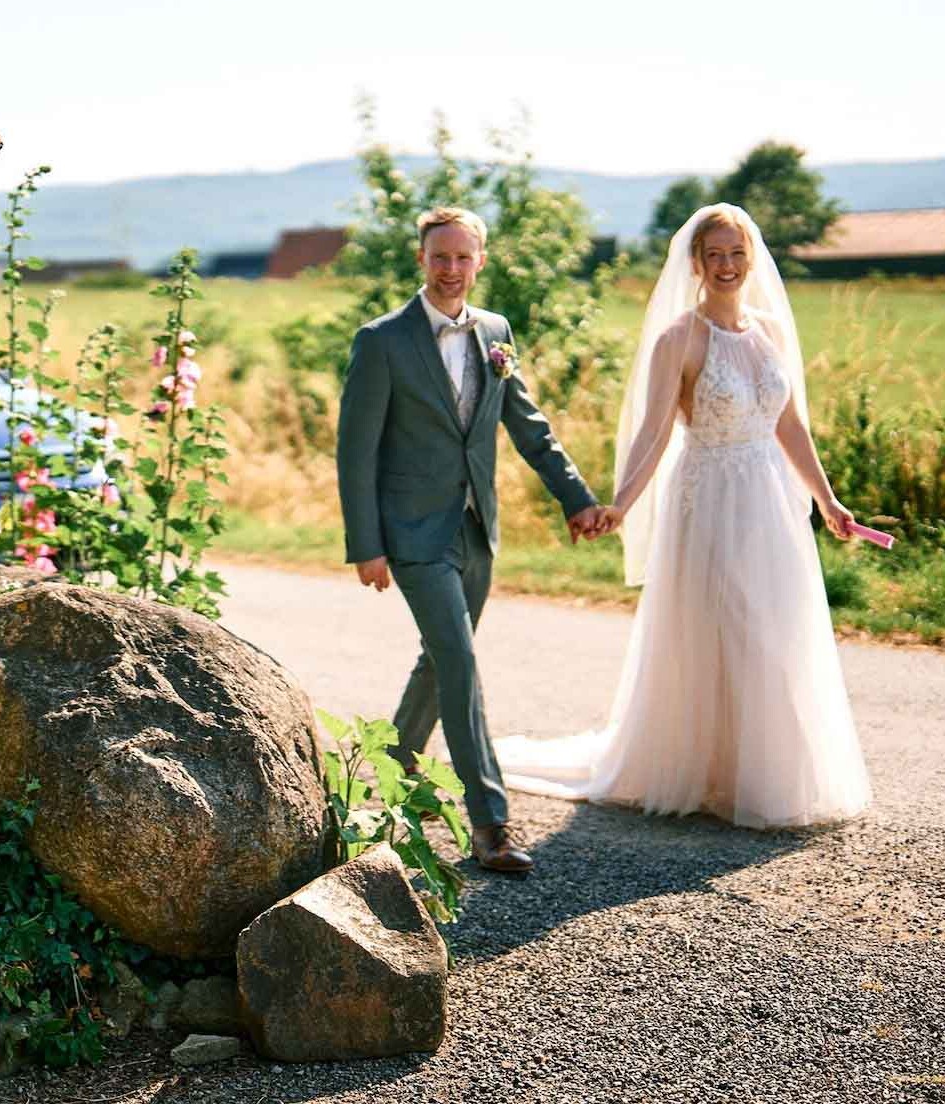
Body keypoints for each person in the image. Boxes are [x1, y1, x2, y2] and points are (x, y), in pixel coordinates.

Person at [495, 203, 871, 828]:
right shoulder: (681, 338)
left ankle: (764, 772)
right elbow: (653, 432)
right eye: (714, 255)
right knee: (721, 625)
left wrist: (827, 500)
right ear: (695, 264)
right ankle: (702, 769)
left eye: (736, 254)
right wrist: (620, 503)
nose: (726, 266)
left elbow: (789, 423)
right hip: (709, 498)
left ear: (752, 258)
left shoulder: (772, 330)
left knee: (776, 628)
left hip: (770, 502)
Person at [336, 206, 610, 874]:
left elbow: (527, 424)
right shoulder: (382, 341)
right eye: (440, 257)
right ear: (420, 261)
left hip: (475, 529)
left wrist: (576, 498)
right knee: (458, 662)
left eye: (463, 258)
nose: (452, 270)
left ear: (480, 261)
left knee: (439, 662)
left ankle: (386, 783)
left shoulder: (496, 332)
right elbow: (356, 451)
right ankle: (489, 825)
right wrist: (365, 543)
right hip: (410, 533)